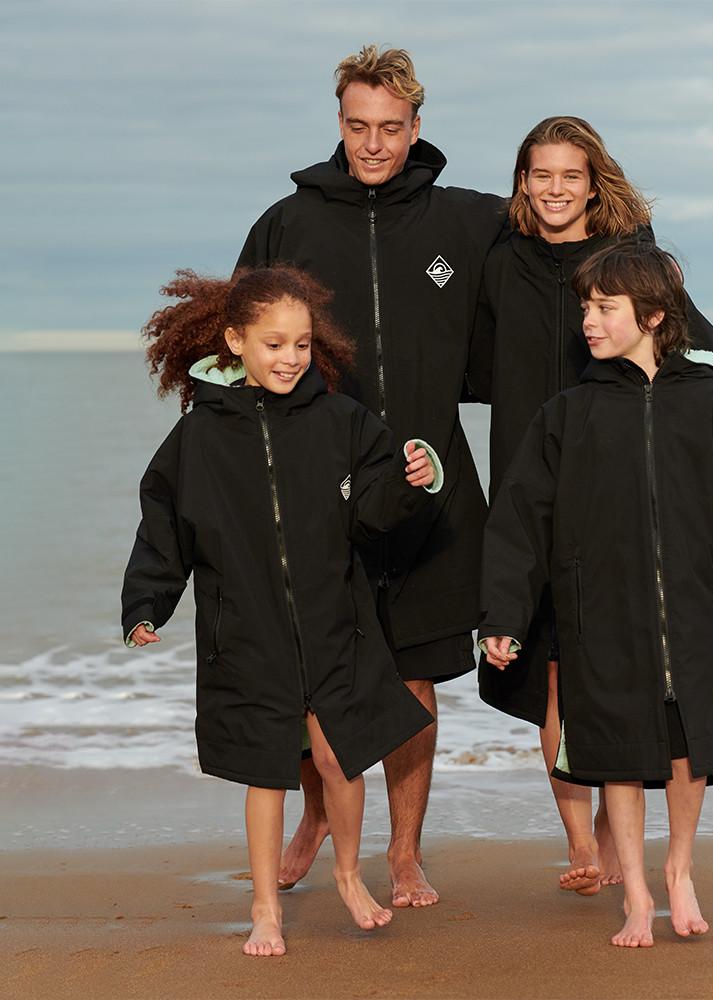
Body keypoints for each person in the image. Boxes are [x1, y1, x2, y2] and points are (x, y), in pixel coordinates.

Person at [467, 116, 713, 895]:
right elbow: (449, 356)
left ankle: (613, 828)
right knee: (554, 675)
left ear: (596, 182)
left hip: (627, 496)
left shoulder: (633, 274)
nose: (555, 190)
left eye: (571, 175)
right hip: (542, 485)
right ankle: (581, 842)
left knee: (616, 675)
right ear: (521, 183)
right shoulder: (498, 265)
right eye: (540, 175)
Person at [236, 45, 507, 907]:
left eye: (391, 128)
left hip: (431, 486)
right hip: (323, 482)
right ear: (339, 122)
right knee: (321, 671)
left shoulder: (469, 221)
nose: (374, 145)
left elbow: (562, 245)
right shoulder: (289, 224)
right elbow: (234, 339)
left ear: (418, 126)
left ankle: (403, 853)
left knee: (416, 673)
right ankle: (320, 815)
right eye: (358, 127)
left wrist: (645, 254)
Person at [121, 264, 443, 955]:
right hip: (246, 629)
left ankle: (351, 876)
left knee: (339, 758)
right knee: (267, 769)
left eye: (300, 344)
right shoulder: (197, 439)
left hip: (335, 621)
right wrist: (147, 603)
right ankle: (265, 908)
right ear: (234, 340)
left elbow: (375, 512)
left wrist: (417, 481)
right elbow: (165, 531)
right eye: (273, 343)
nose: (290, 358)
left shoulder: (341, 421)